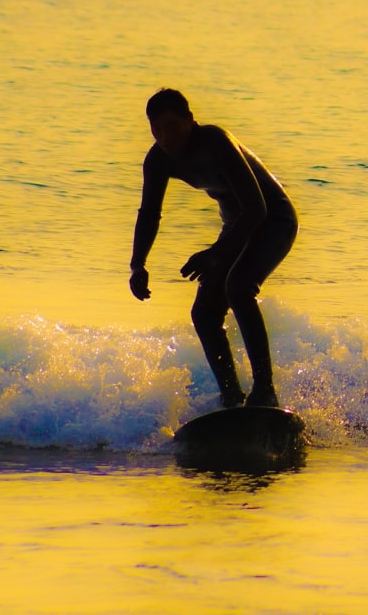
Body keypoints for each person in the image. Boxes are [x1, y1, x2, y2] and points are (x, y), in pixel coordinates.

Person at [128, 88, 298, 409]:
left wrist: (217, 254)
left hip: (273, 218)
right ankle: (231, 397)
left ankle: (265, 391)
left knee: (239, 287)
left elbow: (257, 209)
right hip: (237, 226)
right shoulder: (157, 160)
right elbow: (150, 213)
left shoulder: (216, 142)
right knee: (204, 313)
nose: (166, 137)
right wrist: (138, 264)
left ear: (190, 121)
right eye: (157, 129)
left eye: (173, 126)